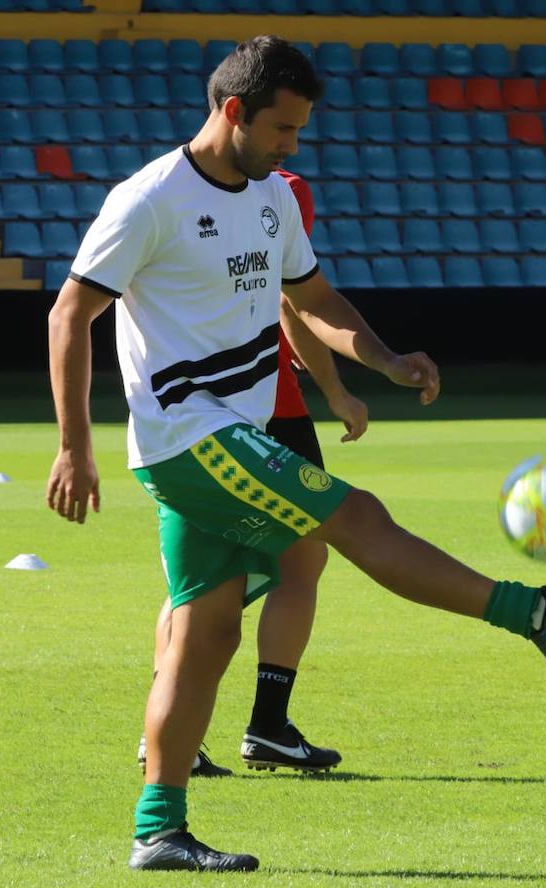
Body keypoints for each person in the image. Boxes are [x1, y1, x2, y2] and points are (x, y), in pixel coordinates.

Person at [47, 35, 546, 873]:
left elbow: (313, 298)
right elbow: (70, 316)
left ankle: (158, 830)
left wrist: (385, 359)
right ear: (233, 112)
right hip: (190, 436)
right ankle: (537, 616)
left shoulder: (274, 197)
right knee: (348, 516)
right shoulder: (150, 200)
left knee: (204, 634)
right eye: (282, 130)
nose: (293, 147)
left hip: (230, 435)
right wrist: (75, 446)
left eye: (299, 133)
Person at [135, 167, 368, 778]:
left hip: (235, 407)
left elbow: (287, 302)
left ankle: (227, 727)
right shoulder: (282, 189)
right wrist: (337, 393)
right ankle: (256, 723)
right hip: (262, 410)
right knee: (246, 573)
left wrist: (335, 391)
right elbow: (295, 304)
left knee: (223, 572)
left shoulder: (252, 187)